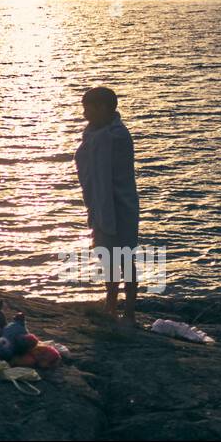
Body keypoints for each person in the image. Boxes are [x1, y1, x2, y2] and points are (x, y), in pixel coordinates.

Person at [74, 86, 140, 325]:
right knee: (107, 256)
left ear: (103, 108)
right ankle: (110, 303)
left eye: (88, 108)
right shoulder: (93, 133)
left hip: (120, 204)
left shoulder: (116, 135)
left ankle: (130, 311)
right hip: (100, 204)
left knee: (125, 256)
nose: (85, 113)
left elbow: (108, 171)